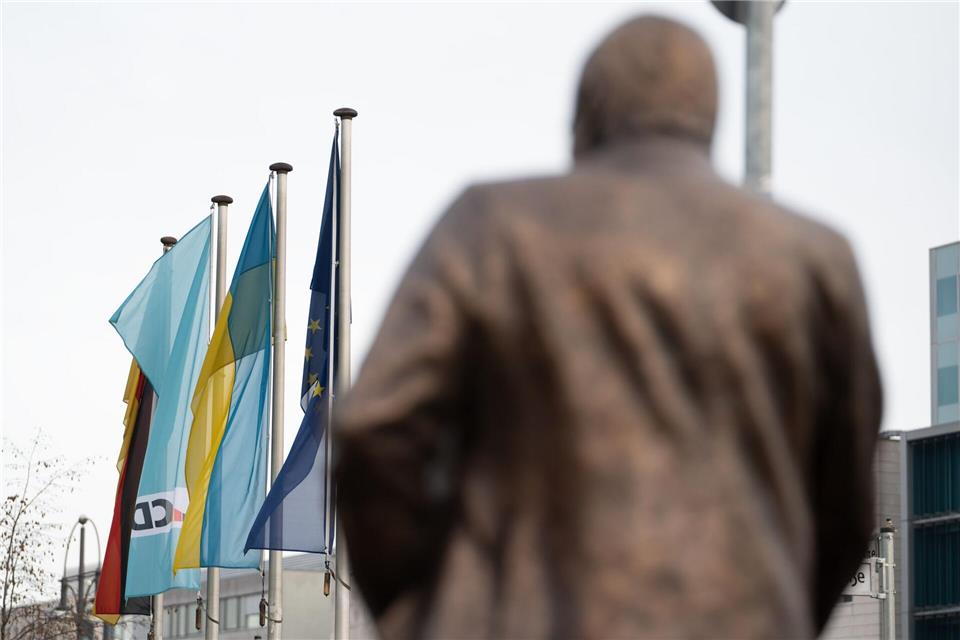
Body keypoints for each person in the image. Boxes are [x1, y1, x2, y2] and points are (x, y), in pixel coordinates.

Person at [335, 15, 882, 640]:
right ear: (707, 120)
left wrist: (423, 607)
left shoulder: (493, 227)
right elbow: (845, 504)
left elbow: (375, 427)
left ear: (586, 119)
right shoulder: (817, 261)